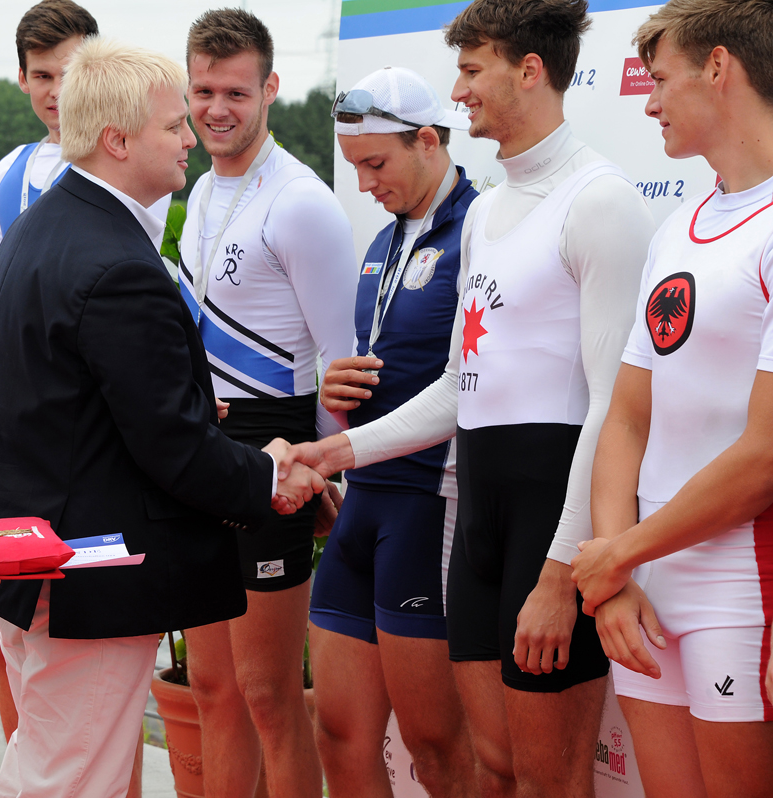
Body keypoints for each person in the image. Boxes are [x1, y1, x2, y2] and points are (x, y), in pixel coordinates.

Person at [277, 1, 657, 795]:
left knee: (551, 782)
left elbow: (613, 406)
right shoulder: (486, 212)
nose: (458, 91)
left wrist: (561, 571)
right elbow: (459, 388)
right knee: (496, 767)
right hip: (479, 521)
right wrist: (336, 449)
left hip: (552, 524)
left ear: (530, 70)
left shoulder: (601, 200)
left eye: (472, 69)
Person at [0, 37, 324, 798]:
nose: (191, 136)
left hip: (31, 558)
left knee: (42, 768)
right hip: (86, 573)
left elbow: (71, 398)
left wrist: (185, 408)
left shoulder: (43, 225)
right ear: (118, 140)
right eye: (173, 125)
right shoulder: (120, 263)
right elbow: (172, 446)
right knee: (71, 783)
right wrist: (269, 476)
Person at [570, 2, 773, 795]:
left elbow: (764, 455)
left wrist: (618, 555)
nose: (649, 103)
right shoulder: (679, 225)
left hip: (742, 585)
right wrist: (617, 574)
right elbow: (626, 418)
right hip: (645, 583)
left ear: (718, 67)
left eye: (659, 80)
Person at [175, 10, 355, 797]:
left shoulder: (302, 202)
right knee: (211, 688)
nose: (217, 109)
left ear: (271, 88)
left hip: (276, 450)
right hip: (205, 451)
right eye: (204, 91)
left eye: (236, 93)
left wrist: (324, 471)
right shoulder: (199, 191)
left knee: (269, 695)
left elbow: (341, 363)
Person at [309, 66, 478, 798]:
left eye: (376, 164)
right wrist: (333, 393)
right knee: (339, 733)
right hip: (362, 502)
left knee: (435, 747)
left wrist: (335, 446)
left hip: (431, 505)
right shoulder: (382, 239)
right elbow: (379, 363)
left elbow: (465, 385)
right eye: (354, 167)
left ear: (429, 141)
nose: (365, 183)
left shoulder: (479, 229)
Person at [0, 0, 98, 752]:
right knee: (2, 618)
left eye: (70, 74)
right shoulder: (12, 170)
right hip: (11, 428)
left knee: (88, 647)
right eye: (42, 76)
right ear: (21, 78)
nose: (55, 91)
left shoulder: (115, 154)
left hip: (83, 432)